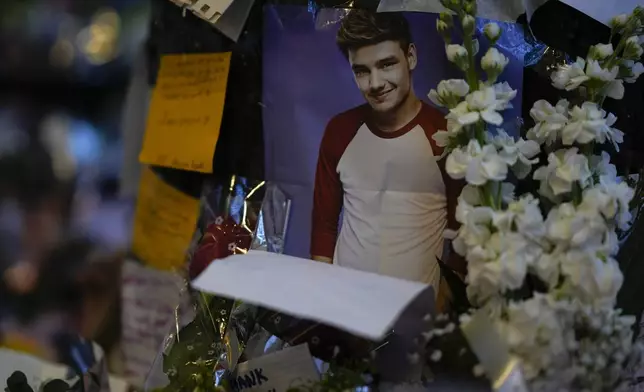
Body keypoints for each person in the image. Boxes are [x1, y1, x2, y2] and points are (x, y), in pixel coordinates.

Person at [310, 10, 464, 292]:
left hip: (415, 319)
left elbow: (463, 239)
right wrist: (323, 304)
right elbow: (324, 227)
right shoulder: (339, 131)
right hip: (345, 311)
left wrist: (442, 310)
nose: (376, 83)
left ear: (411, 58)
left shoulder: (446, 135)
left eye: (387, 64)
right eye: (362, 71)